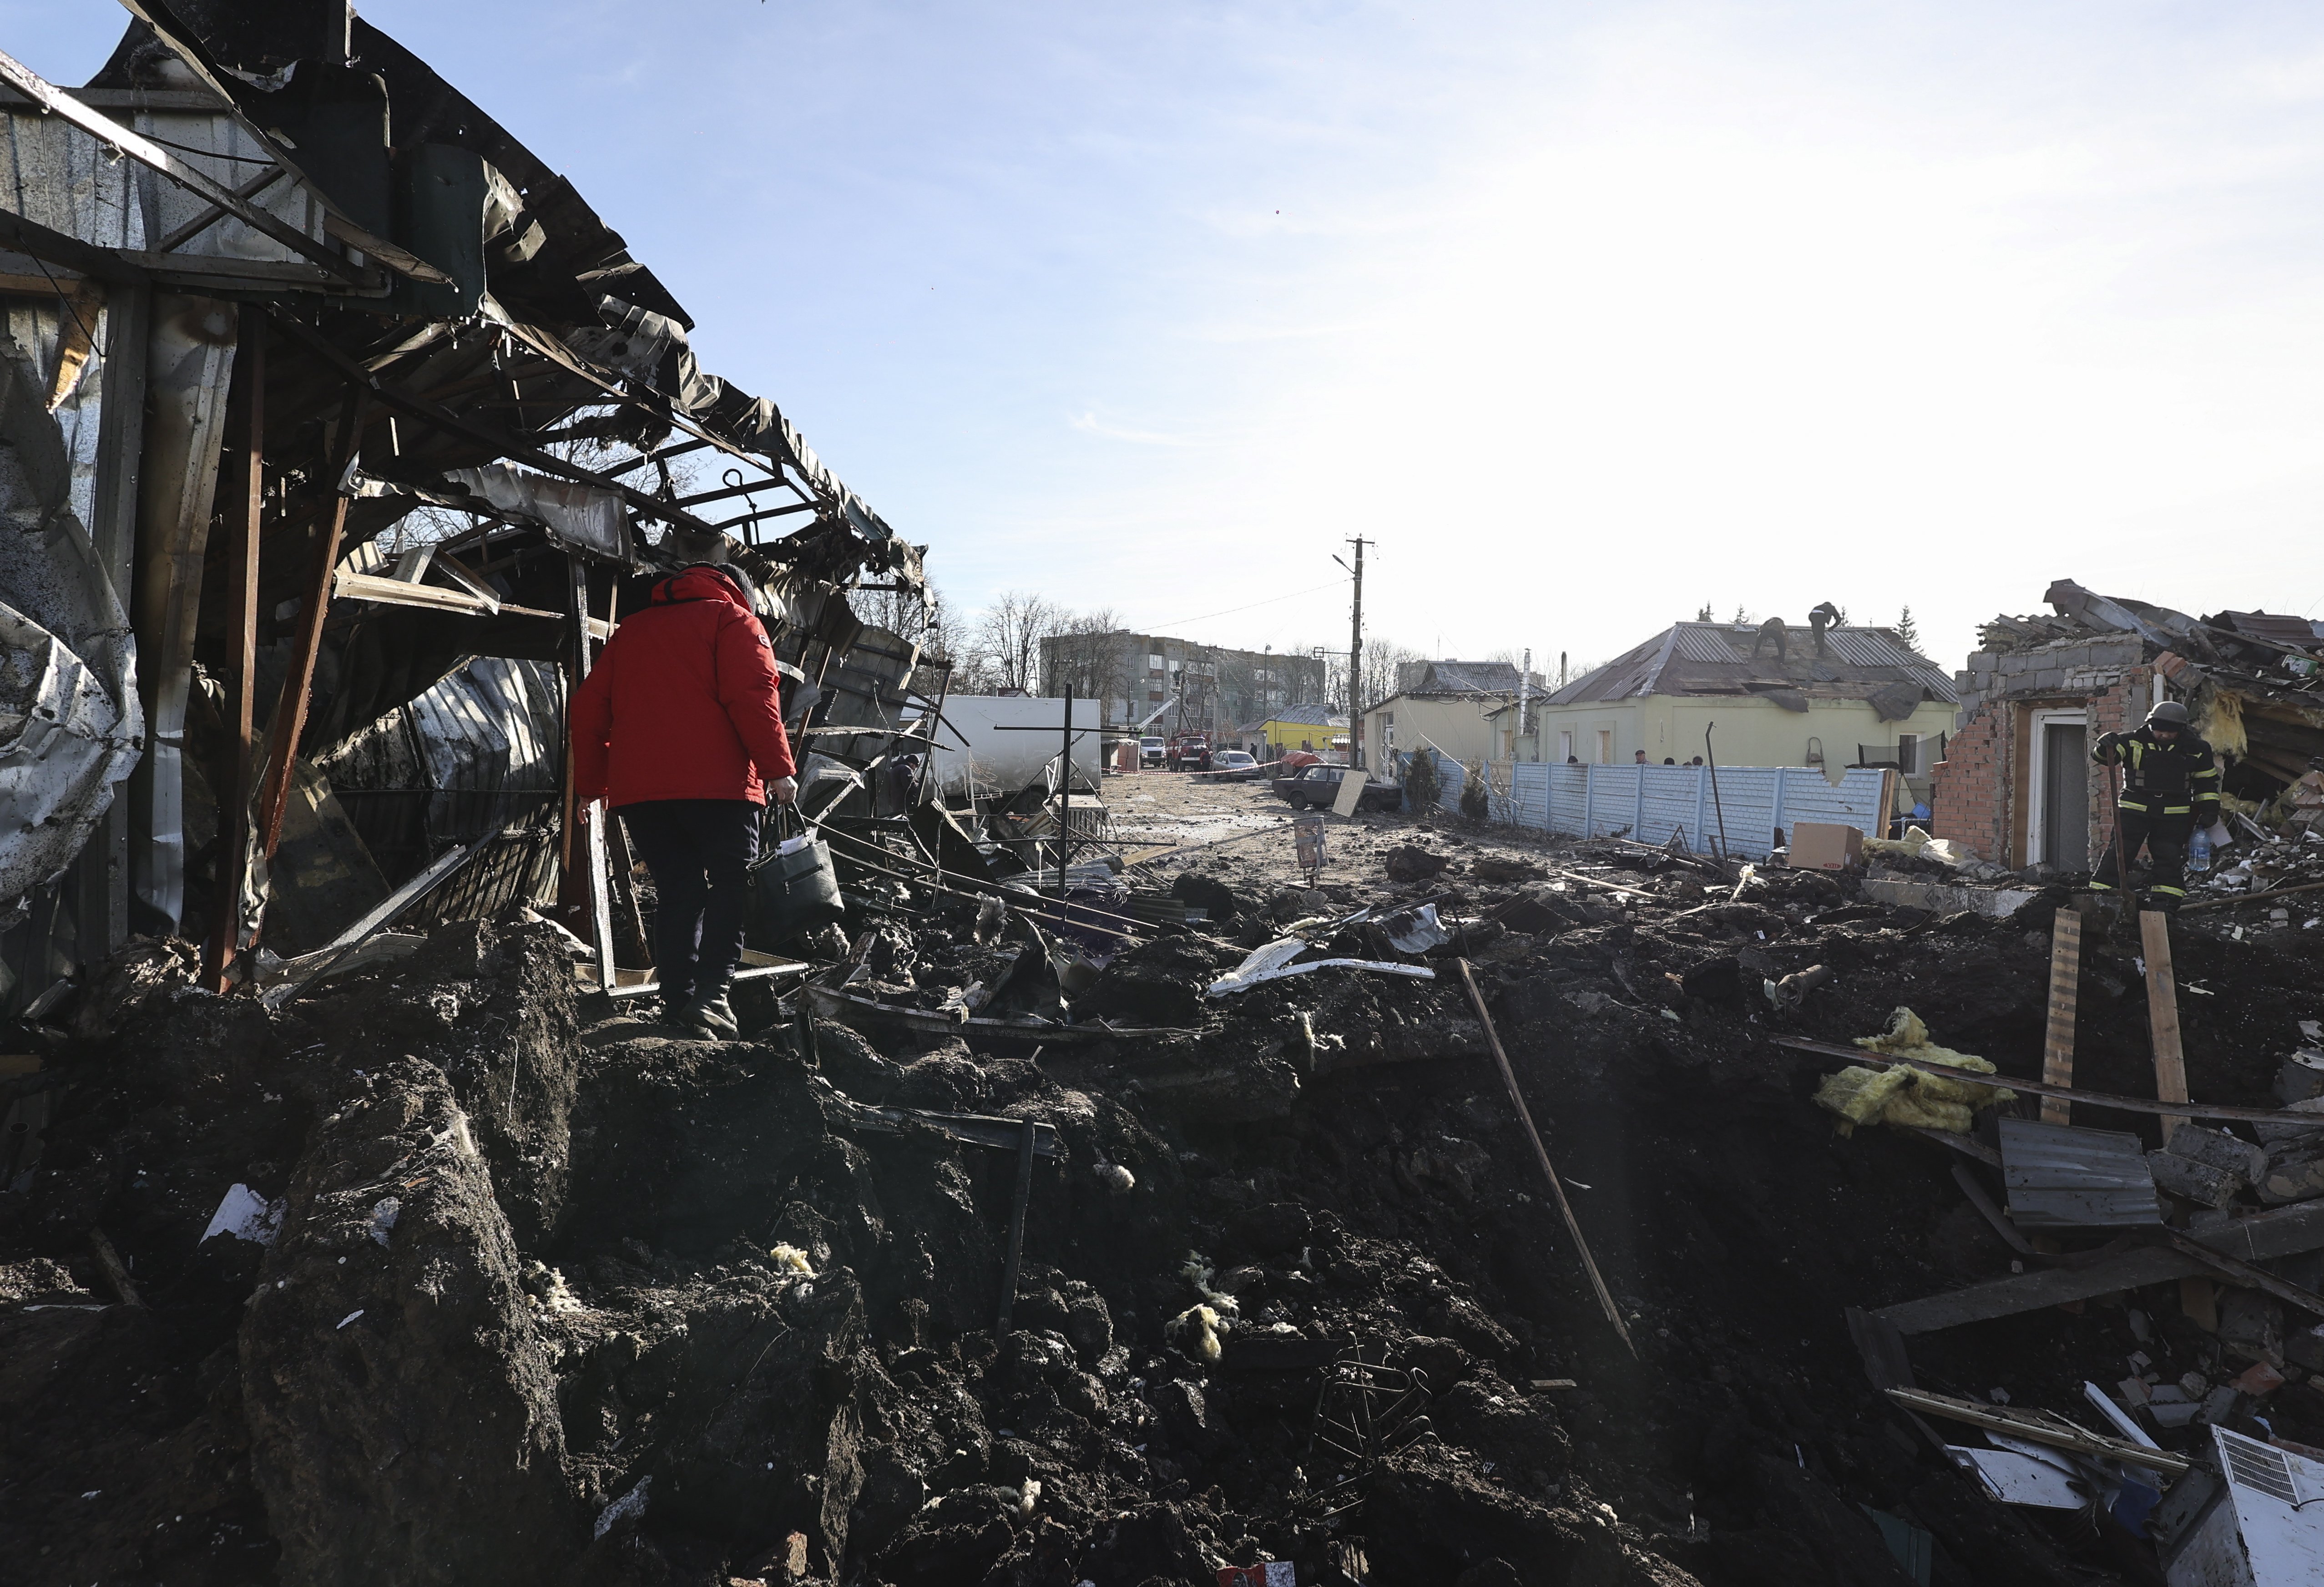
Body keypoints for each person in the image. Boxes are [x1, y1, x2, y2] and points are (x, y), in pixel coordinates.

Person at [571, 563, 798, 1037]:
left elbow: (589, 709)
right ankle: (713, 995)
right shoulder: (733, 621)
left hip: (643, 795)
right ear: (742, 592)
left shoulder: (630, 630)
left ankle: (677, 1000)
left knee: (680, 889)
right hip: (720, 788)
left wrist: (591, 787)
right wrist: (778, 770)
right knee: (732, 887)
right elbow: (753, 697)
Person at [2090, 699, 2220, 911]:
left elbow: (2205, 782)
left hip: (2174, 813)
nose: (2164, 735)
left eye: (2171, 732)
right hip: (2134, 809)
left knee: (2169, 857)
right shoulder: (2131, 741)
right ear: (2151, 725)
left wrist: (2209, 810)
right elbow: (2105, 759)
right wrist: (2103, 744)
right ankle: (2100, 897)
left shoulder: (2197, 748)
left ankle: (2165, 905)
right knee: (2121, 852)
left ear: (2181, 729)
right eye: (2159, 730)